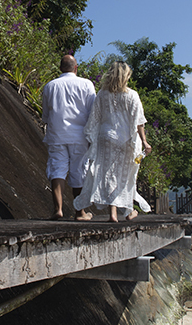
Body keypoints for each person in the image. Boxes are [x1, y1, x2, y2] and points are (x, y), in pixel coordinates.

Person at [74, 61, 153, 222]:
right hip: (125, 140)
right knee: (125, 175)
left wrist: (92, 137)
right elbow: (139, 122)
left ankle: (113, 214)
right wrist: (144, 141)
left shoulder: (102, 94)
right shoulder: (132, 95)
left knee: (107, 174)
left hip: (106, 138)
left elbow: (94, 117)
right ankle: (128, 211)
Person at [41, 55, 96, 220]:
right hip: (79, 135)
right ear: (76, 67)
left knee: (57, 169)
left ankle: (58, 210)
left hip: (57, 134)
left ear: (60, 68)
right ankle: (80, 212)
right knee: (79, 171)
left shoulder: (50, 86)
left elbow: (46, 115)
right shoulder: (86, 84)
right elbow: (93, 112)